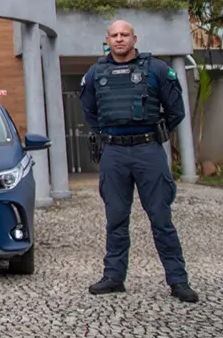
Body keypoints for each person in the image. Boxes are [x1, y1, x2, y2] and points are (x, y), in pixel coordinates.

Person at [80, 19, 199, 303]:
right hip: (114, 153)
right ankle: (114, 277)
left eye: (125, 35)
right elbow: (90, 113)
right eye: (114, 35)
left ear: (134, 38)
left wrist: (151, 131)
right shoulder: (95, 74)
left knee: (161, 219)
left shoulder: (157, 69)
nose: (119, 39)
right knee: (115, 219)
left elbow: (176, 111)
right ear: (107, 39)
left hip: (149, 150)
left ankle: (178, 281)